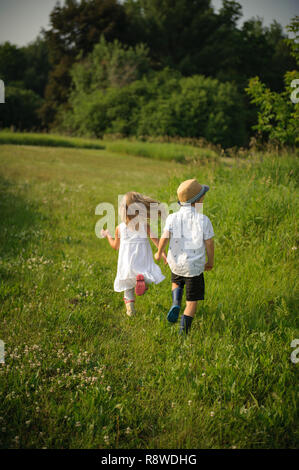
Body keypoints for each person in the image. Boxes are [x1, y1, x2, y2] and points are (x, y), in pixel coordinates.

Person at [155, 179, 214, 335]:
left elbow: (164, 237)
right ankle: (183, 331)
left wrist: (159, 252)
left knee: (176, 281)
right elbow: (209, 244)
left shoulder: (172, 218)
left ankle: (175, 302)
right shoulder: (204, 220)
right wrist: (210, 261)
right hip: (194, 268)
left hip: (176, 263)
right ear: (198, 200)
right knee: (191, 302)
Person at [101, 191, 167, 316]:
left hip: (127, 262)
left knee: (127, 285)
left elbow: (115, 246)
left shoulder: (119, 228)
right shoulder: (144, 225)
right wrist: (162, 253)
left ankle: (130, 309)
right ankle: (142, 283)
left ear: (123, 210)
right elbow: (156, 241)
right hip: (142, 259)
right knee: (146, 272)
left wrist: (108, 235)